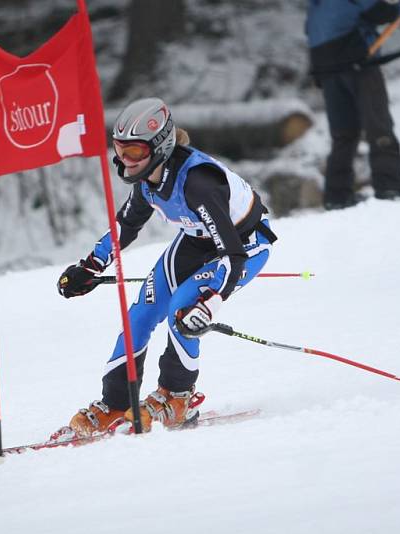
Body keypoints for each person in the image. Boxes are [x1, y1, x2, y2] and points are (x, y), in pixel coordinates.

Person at [53, 97, 277, 438]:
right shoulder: (147, 180)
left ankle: (177, 397)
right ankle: (115, 402)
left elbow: (232, 255)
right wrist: (90, 266)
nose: (126, 162)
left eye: (135, 153)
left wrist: (211, 304)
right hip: (195, 241)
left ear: (160, 147)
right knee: (139, 315)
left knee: (182, 312)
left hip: (243, 246)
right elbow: (126, 225)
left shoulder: (198, 184)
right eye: (120, 150)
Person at [306, 0, 400, 210]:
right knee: (378, 125)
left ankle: (337, 196)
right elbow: (378, 11)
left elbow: (312, 31)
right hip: (359, 65)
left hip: (327, 71)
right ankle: (389, 185)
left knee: (343, 134)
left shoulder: (315, 5)